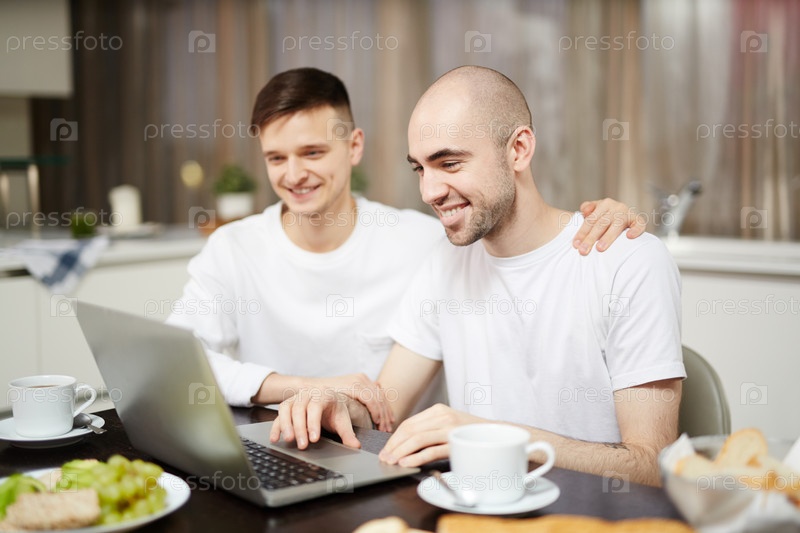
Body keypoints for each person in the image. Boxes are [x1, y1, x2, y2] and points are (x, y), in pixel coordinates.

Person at [168, 67, 647, 437]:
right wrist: (312, 391)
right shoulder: (234, 247)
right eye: (276, 158)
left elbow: (520, 225)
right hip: (304, 443)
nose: (293, 175)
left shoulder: (430, 242)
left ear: (354, 147)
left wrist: (601, 222)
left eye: (312, 152)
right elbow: (174, 361)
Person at [269, 66, 685, 486]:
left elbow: (651, 466)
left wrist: (488, 436)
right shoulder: (445, 261)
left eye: (449, 163)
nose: (429, 192)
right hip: (472, 509)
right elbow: (384, 410)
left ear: (519, 149)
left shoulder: (627, 261)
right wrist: (335, 405)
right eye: (420, 169)